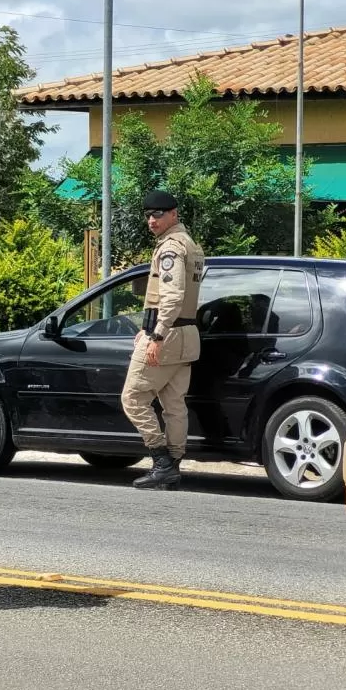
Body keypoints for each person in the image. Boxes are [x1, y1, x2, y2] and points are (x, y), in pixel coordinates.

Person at [121, 190, 205, 490]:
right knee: (173, 405)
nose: (152, 220)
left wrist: (156, 334)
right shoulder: (191, 246)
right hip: (187, 335)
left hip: (166, 335)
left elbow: (171, 297)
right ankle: (173, 465)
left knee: (132, 398)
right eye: (148, 215)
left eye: (158, 214)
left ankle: (161, 462)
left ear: (174, 214)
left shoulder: (170, 248)